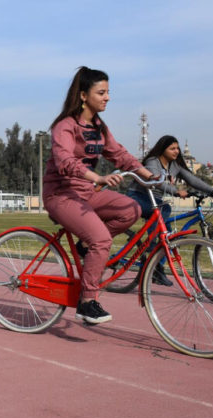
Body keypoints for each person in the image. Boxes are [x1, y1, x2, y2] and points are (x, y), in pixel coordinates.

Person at [43, 67, 154, 325]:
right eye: (101, 93)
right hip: (61, 195)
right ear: (83, 96)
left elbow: (119, 154)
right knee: (102, 239)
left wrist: (150, 175)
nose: (107, 98)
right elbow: (65, 161)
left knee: (132, 209)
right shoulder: (65, 126)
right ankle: (87, 301)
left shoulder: (99, 127)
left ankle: (86, 246)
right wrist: (98, 178)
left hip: (87, 193)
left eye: (108, 92)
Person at [126, 135, 213, 286]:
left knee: (170, 238)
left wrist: (212, 190)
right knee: (165, 209)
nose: (176, 151)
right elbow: (155, 182)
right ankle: (152, 250)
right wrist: (176, 191)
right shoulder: (153, 161)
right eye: (172, 148)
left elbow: (192, 180)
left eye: (177, 148)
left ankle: (157, 268)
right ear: (162, 149)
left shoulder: (175, 165)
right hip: (139, 197)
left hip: (155, 201)